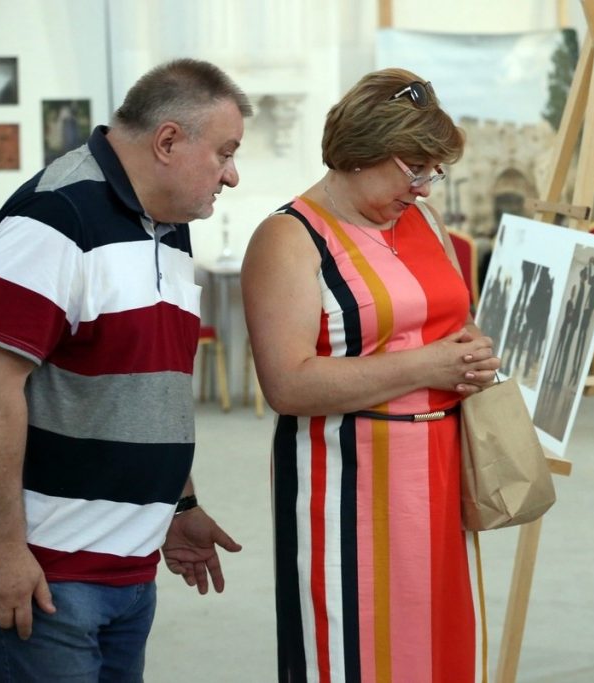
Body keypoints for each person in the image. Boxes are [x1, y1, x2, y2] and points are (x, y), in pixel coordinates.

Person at [0, 59, 250, 681]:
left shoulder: (169, 225)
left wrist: (179, 505)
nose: (232, 175)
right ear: (167, 141)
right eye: (225, 153)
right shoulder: (54, 218)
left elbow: (149, 387)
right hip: (50, 577)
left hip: (129, 571)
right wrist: (0, 549)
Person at [241, 68, 500, 682]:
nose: (425, 187)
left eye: (434, 171)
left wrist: (472, 350)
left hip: (439, 469)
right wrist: (429, 365)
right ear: (362, 151)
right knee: (354, 651)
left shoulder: (423, 222)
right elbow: (287, 384)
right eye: (415, 169)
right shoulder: (290, 238)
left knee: (439, 648)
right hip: (348, 485)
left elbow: (447, 319)